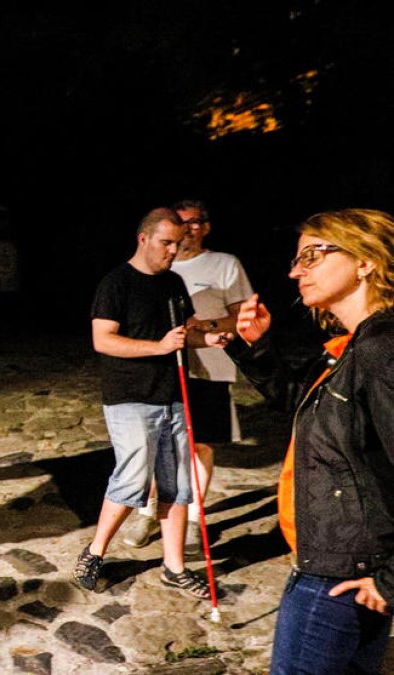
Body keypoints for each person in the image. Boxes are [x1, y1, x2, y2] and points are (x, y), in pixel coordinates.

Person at [231, 208, 394, 674]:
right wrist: (256, 347)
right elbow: (305, 403)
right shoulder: (353, 344)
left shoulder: (382, 347)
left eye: (312, 255)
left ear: (365, 260)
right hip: (343, 559)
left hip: (339, 572)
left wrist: (390, 580)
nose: (294, 271)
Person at [73, 207, 229, 597]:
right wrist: (158, 346)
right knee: (133, 478)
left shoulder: (174, 283)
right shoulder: (116, 283)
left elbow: (184, 334)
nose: (173, 250)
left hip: (173, 396)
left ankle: (173, 567)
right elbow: (103, 340)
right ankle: (94, 552)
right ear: (143, 239)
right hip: (129, 397)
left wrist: (208, 338)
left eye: (178, 243)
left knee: (177, 485)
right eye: (166, 243)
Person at [121, 200, 254, 555]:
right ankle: (147, 512)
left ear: (206, 227)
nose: (187, 230)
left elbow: (241, 318)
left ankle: (194, 517)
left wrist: (202, 327)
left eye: (195, 223)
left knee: (199, 444)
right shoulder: (156, 265)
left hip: (209, 366)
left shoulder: (225, 264)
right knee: (154, 442)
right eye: (180, 223)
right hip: (159, 367)